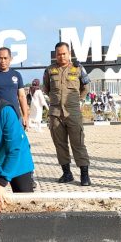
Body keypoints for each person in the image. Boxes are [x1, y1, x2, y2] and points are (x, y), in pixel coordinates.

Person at [43, 42, 92, 186]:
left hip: (73, 112)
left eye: (64, 53)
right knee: (60, 145)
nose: (61, 56)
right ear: (55, 55)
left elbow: (86, 87)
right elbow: (46, 88)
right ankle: (67, 173)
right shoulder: (49, 70)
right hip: (56, 113)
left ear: (69, 54)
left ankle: (84, 175)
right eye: (59, 54)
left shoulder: (78, 68)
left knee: (78, 143)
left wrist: (78, 101)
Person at [0, 47, 29, 127]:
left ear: (11, 59)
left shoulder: (16, 75)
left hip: (15, 116)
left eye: (5, 58)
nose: (3, 61)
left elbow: (22, 96)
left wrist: (25, 116)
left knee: (16, 139)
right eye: (0, 58)